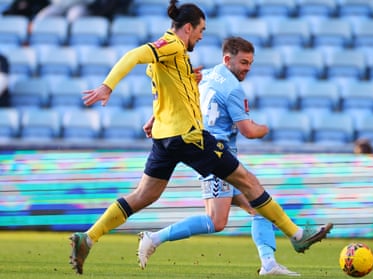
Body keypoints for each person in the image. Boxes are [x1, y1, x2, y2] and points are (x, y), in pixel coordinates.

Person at [69, 0, 333, 275]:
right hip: (189, 137)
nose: (201, 36)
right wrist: (107, 86)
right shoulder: (170, 45)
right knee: (247, 181)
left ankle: (88, 237)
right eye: (200, 30)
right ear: (187, 28)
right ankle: (297, 235)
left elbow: (168, 91)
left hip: (164, 138)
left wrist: (155, 116)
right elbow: (134, 55)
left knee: (144, 195)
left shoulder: (179, 58)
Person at [137, 37, 300, 276]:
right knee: (216, 220)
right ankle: (154, 238)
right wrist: (267, 128)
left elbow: (179, 96)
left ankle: (268, 263)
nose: (248, 68)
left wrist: (155, 118)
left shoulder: (208, 76)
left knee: (259, 207)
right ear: (227, 59)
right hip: (214, 156)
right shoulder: (232, 87)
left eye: (250, 63)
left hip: (224, 156)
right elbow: (249, 131)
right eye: (244, 62)